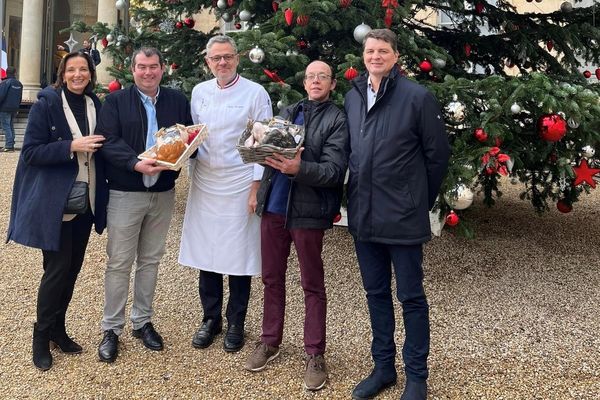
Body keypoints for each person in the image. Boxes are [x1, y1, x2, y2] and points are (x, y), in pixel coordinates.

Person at [344, 29, 451, 400]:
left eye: (383, 51)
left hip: (403, 216)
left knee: (411, 297)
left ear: (395, 56)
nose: (375, 56)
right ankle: (383, 368)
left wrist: (417, 201)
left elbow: (437, 156)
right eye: (370, 50)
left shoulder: (417, 97)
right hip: (363, 216)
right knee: (375, 294)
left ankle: (416, 376)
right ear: (364, 55)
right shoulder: (353, 96)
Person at [244, 60, 349, 391]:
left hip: (308, 210)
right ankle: (269, 340)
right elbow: (266, 152)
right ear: (304, 82)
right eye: (310, 76)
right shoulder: (288, 111)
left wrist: (298, 168)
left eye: (323, 77)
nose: (316, 81)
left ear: (332, 84)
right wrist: (255, 149)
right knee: (272, 278)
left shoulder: (337, 119)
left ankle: (315, 354)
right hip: (274, 207)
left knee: (312, 284)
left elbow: (334, 172)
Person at [6, 51, 108, 370]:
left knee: (72, 270)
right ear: (62, 74)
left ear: (91, 73)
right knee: (56, 270)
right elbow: (32, 153)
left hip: (86, 201)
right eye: (71, 70)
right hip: (57, 204)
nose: (78, 74)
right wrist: (70, 147)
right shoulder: (48, 103)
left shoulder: (96, 105)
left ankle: (58, 330)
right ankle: (40, 336)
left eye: (83, 69)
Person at [95, 47, 192, 363]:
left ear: (163, 69)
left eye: (153, 67)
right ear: (132, 70)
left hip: (163, 193)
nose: (147, 72)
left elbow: (187, 137)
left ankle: (142, 321)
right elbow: (108, 140)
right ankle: (111, 328)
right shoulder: (116, 101)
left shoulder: (177, 100)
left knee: (151, 260)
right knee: (119, 262)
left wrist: (182, 156)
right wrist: (136, 164)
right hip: (126, 192)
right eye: (141, 67)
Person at [178, 34, 272, 353]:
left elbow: (261, 144)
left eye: (227, 57)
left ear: (237, 58)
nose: (222, 63)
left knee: (238, 256)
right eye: (216, 58)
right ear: (207, 61)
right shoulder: (200, 92)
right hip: (205, 181)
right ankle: (210, 318)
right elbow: (193, 136)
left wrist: (255, 188)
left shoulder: (255, 93)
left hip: (239, 181)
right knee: (207, 254)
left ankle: (236, 323)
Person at [0, 66, 23, 151]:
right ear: (15, 73)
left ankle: (9, 146)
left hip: (4, 108)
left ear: (6, 73)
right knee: (10, 126)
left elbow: (1, 96)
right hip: (14, 108)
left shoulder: (5, 83)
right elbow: (20, 97)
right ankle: (11, 144)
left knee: (6, 126)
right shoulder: (19, 84)